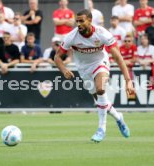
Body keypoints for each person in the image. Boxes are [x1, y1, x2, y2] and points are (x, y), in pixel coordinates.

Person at [54, 9, 134, 143]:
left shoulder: (102, 33)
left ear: (90, 20)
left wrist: (128, 81)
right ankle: (119, 118)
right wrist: (63, 69)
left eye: (81, 21)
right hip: (84, 70)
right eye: (77, 21)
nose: (78, 24)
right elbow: (57, 57)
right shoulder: (71, 37)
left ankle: (101, 129)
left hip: (100, 63)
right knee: (100, 101)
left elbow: (118, 57)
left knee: (100, 89)